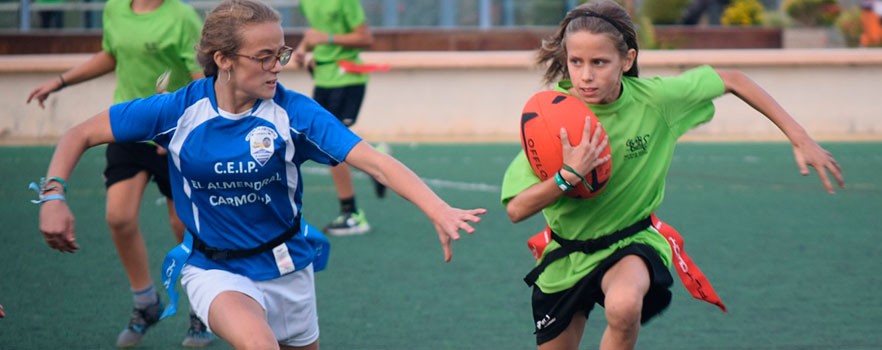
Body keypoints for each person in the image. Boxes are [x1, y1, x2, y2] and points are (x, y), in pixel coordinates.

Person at [33, 0, 486, 348]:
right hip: (212, 267)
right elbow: (78, 133)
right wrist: (53, 195)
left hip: (288, 267)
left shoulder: (294, 113)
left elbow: (374, 161)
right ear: (224, 58)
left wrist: (436, 208)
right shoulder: (179, 109)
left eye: (281, 54)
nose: (277, 66)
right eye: (264, 56)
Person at [500, 1, 844, 349]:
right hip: (566, 253)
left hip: (628, 242)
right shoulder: (551, 118)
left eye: (599, 63)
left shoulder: (656, 101)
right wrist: (568, 175)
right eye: (576, 62)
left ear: (627, 60)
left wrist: (799, 136)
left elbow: (732, 80)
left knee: (623, 306)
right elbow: (516, 209)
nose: (586, 75)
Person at [25, 0, 213, 347]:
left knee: (183, 225)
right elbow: (111, 55)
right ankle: (146, 302)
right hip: (129, 127)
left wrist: (184, 125)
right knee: (118, 217)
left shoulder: (181, 17)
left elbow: (202, 78)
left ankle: (204, 306)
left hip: (173, 130)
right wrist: (61, 81)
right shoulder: (116, 9)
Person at [293, 0, 387, 236]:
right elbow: (315, 32)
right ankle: (377, 159)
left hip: (346, 78)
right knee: (328, 141)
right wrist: (304, 48)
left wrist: (326, 39)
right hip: (323, 78)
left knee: (331, 146)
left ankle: (352, 214)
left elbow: (365, 38)